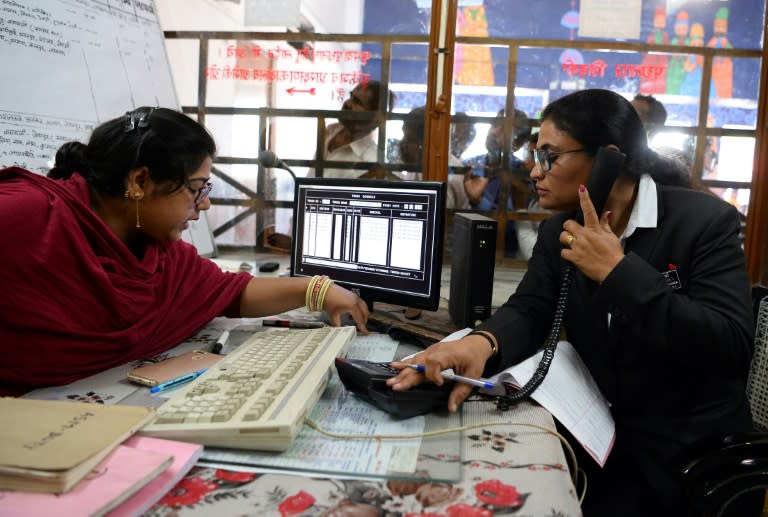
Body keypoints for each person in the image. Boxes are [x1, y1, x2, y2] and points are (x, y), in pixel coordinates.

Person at [386, 89, 758, 515]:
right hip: (598, 438)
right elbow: (530, 308)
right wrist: (478, 343)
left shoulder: (703, 221)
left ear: (608, 158)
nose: (533, 170)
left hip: (687, 456)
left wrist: (618, 272)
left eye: (549, 156)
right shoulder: (558, 230)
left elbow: (729, 346)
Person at [0, 107, 369, 397]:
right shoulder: (28, 214)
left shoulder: (153, 246)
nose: (204, 205)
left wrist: (317, 290)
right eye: (196, 188)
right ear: (140, 182)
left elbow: (228, 291)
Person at [313, 80, 394, 179]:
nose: (347, 103)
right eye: (351, 96)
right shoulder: (330, 130)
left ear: (375, 118)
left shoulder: (372, 161)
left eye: (358, 102)